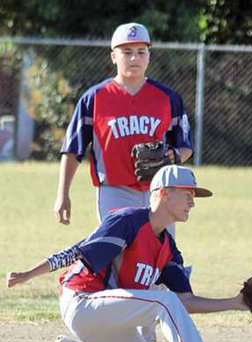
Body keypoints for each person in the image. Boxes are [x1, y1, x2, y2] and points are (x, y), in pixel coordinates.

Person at [7, 165, 248, 342]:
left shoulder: (168, 248)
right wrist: (29, 274)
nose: (192, 203)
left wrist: (238, 303)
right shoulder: (128, 221)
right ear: (164, 193)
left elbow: (185, 302)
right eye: (187, 194)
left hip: (113, 319)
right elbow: (76, 252)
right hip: (82, 303)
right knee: (164, 301)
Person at [53, 22, 193, 226]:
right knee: (119, 254)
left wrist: (175, 155)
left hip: (160, 190)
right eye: (127, 52)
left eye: (141, 51)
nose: (134, 58)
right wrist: (62, 195)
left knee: (159, 254)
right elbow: (73, 150)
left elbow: (186, 146)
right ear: (113, 57)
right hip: (114, 192)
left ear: (149, 56)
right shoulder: (94, 98)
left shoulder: (168, 98)